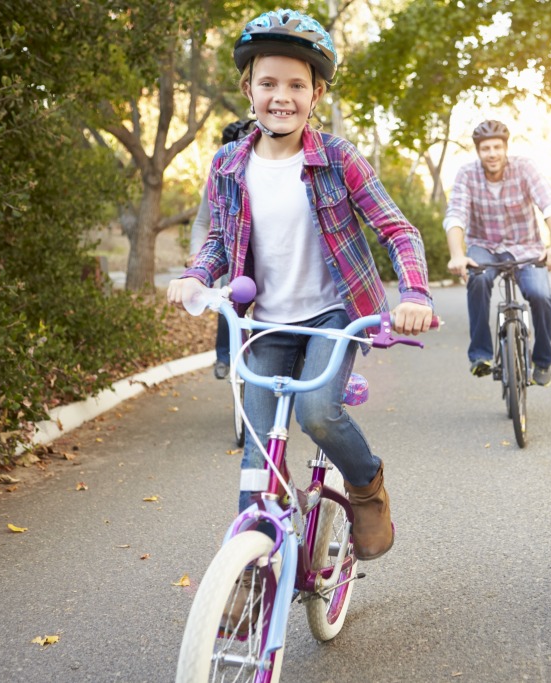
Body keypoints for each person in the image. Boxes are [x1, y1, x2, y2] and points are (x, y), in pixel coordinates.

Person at [168, 9, 434, 572]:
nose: (281, 96)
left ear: (316, 93)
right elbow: (219, 239)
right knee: (260, 444)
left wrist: (414, 295)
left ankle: (366, 485)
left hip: (333, 315)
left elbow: (397, 230)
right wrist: (196, 275)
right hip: (265, 321)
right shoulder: (227, 164)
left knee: (316, 412)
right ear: (248, 89)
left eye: (296, 85)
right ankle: (250, 565)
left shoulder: (338, 158)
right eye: (268, 83)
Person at [443, 120, 551, 387]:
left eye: (497, 147)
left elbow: (550, 203)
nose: (492, 153)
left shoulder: (525, 168)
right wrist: (457, 254)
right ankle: (481, 355)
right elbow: (456, 214)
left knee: (541, 295)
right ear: (478, 151)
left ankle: (543, 360)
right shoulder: (467, 174)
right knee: (478, 279)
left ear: (505, 148)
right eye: (486, 148)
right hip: (483, 246)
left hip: (525, 247)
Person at [189, 119, 256, 380]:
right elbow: (203, 222)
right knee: (227, 302)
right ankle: (223, 356)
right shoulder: (218, 178)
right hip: (232, 260)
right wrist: (196, 257)